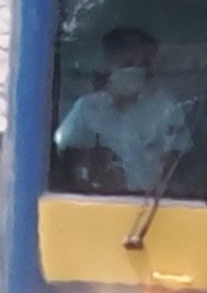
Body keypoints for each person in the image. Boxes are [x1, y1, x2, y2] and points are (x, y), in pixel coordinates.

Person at [52, 18, 198, 195]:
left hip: (155, 209)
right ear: (109, 64)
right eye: (127, 64)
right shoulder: (87, 108)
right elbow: (66, 159)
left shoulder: (165, 107)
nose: (136, 72)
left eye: (143, 65)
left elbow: (178, 167)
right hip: (96, 205)